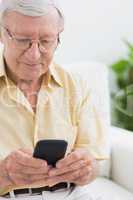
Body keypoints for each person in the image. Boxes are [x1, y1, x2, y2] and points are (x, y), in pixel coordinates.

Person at [0, 0, 109, 199]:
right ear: (2, 34)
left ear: (58, 37)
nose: (34, 55)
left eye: (46, 41)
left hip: (71, 193)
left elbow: (94, 162)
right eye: (23, 40)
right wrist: (4, 174)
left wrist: (86, 168)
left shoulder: (77, 85)